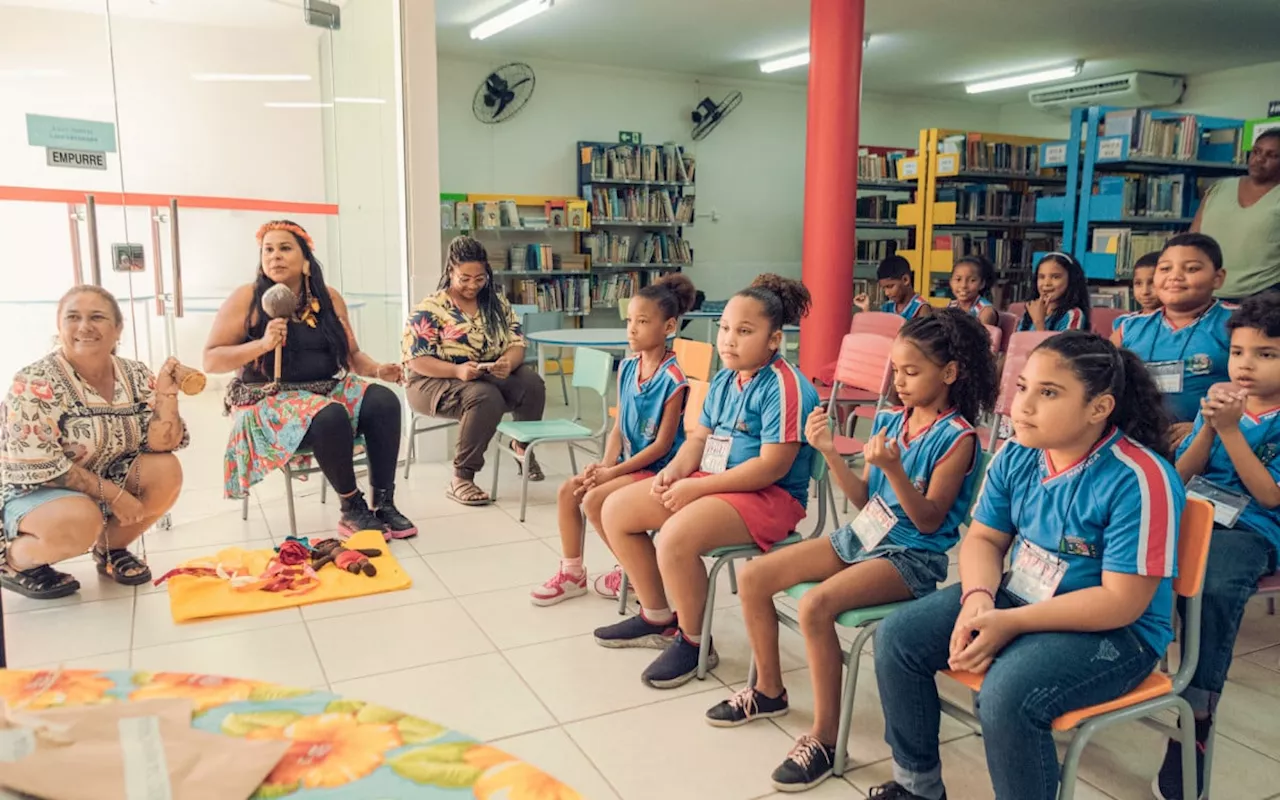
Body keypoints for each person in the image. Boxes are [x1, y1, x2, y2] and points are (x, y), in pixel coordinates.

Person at [868, 331, 1183, 800]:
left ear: (1099, 408)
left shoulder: (1140, 478)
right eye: (1022, 388)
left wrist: (1011, 622)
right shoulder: (1017, 453)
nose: (1024, 406)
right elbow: (985, 538)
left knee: (1008, 694)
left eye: (1049, 393)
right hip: (1023, 597)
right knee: (897, 638)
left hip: (1118, 631)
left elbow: (1122, 602)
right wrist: (978, 598)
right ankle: (917, 786)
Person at [705, 309, 997, 793]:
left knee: (815, 605)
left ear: (948, 373)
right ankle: (769, 690)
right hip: (863, 536)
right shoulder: (890, 420)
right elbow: (865, 499)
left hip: (911, 557)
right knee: (756, 577)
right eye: (896, 370)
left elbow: (928, 520)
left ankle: (822, 739)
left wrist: (898, 471)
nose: (899, 382)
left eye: (911, 371)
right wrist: (829, 451)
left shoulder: (958, 438)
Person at [592, 274, 821, 689]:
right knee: (615, 509)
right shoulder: (724, 378)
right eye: (726, 329)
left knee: (675, 536)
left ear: (774, 340)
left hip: (770, 496)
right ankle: (658, 617)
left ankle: (695, 640)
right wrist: (675, 471)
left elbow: (771, 467)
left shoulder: (787, 386)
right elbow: (699, 437)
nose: (730, 340)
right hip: (715, 482)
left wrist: (697, 487)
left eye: (745, 331)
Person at [205, 220, 414, 539]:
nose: (274, 256)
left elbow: (352, 355)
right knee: (328, 413)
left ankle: (384, 502)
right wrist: (261, 344)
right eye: (268, 250)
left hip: (324, 389)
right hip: (267, 399)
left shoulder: (328, 298)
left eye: (284, 248)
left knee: (383, 400)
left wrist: (377, 370)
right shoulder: (246, 298)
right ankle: (351, 507)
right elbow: (211, 359)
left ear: (306, 260)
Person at [1159, 293, 1280, 799]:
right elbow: (1178, 476)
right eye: (1237, 352)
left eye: (1266, 354)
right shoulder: (1223, 398)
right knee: (1123, 548)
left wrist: (1229, 431)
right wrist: (1209, 429)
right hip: (1195, 509)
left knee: (1211, 588)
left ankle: (1198, 704)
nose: (1245, 365)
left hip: (1252, 528)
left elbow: (1269, 495)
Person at [0, 286, 187, 598]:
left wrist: (167, 396)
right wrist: (114, 495)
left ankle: (111, 549)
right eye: (73, 317)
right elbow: (44, 467)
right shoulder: (35, 381)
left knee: (166, 470)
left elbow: (160, 443)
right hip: (34, 489)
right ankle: (16, 561)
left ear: (117, 329)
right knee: (80, 519)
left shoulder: (135, 373)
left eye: (97, 317)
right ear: (59, 327)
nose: (84, 327)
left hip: (99, 480)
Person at [530, 274, 696, 606]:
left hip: (658, 470)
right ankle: (572, 573)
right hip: (626, 465)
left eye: (643, 321)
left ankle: (633, 571)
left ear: (669, 326)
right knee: (570, 490)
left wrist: (613, 474)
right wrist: (605, 465)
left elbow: (662, 446)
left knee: (595, 500)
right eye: (630, 321)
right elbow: (618, 426)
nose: (632, 329)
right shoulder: (629, 367)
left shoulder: (674, 379)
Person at [403, 236, 547, 506]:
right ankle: (461, 478)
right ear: (450, 272)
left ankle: (523, 448)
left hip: (484, 375)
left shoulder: (496, 304)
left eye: (479, 278)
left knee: (531, 382)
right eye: (464, 278)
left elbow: (517, 343)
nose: (472, 285)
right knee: (484, 396)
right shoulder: (431, 308)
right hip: (431, 381)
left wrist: (507, 362)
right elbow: (416, 360)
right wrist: (456, 371)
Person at [1112, 233, 1233, 447]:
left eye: (1192, 268)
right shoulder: (1129, 328)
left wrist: (1203, 426)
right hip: (1135, 441)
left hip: (1213, 443)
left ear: (1218, 278)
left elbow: (1267, 390)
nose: (1175, 276)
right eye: (1165, 268)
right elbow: (1097, 381)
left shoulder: (1238, 323)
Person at [1192, 129, 1280, 300]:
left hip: (1263, 296)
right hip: (1207, 292)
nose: (1259, 159)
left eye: (1272, 155)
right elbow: (1193, 237)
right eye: (1256, 152)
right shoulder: (1220, 188)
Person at [1016, 252, 1091, 333]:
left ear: (1071, 280)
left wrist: (1039, 323)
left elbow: (1064, 345)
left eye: (1056, 277)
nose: (1046, 283)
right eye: (1041, 277)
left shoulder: (1073, 315)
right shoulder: (1031, 311)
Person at [855, 256, 930, 320]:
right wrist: (865, 308)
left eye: (890, 286)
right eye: (884, 288)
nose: (887, 293)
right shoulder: (887, 307)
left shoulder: (921, 309)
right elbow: (877, 330)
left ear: (905, 280)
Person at [946, 255, 999, 325]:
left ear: (982, 284)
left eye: (972, 280)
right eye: (958, 279)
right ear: (951, 282)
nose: (963, 285)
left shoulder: (985, 311)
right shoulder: (952, 306)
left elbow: (981, 335)